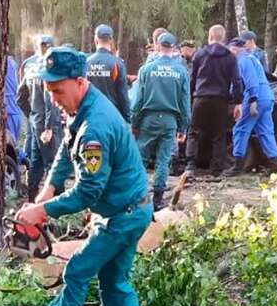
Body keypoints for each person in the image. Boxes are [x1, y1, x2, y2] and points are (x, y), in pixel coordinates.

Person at [16, 47, 152, 306]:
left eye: (58, 90)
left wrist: (42, 212)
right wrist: (48, 189)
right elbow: (67, 146)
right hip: (128, 208)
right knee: (114, 279)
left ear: (79, 81)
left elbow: (88, 191)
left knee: (78, 269)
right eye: (49, 90)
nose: (53, 98)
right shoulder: (83, 107)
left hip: (123, 215)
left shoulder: (95, 129)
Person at [131, 32, 190, 209]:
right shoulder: (181, 71)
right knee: (163, 160)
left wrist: (134, 123)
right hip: (170, 120)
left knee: (141, 158)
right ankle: (157, 199)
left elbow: (138, 101)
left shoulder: (146, 70)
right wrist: (184, 127)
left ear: (157, 46)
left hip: (148, 119)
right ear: (173, 48)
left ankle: (138, 195)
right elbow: (185, 102)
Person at [186, 25, 243, 177]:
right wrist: (238, 102)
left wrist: (192, 96)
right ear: (223, 39)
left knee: (194, 131)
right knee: (219, 134)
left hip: (201, 97)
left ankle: (190, 165)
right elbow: (237, 81)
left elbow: (193, 77)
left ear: (209, 37)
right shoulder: (230, 57)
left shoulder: (199, 54)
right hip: (220, 99)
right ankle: (216, 169)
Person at [225, 38, 277, 177]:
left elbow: (251, 81)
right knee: (265, 131)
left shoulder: (242, 60)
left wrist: (253, 100)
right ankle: (276, 165)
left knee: (240, 129)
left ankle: (238, 166)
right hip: (267, 96)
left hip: (255, 98)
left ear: (235, 49)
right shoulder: (253, 58)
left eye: (229, 50)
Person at [18, 34, 64, 201]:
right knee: (54, 164)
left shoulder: (30, 68)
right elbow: (50, 100)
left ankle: (32, 199)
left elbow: (20, 96)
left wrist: (31, 115)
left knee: (35, 164)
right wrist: (49, 127)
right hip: (47, 125)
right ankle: (58, 205)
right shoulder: (48, 68)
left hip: (35, 122)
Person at [86, 24, 130, 122]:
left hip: (91, 116)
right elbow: (123, 95)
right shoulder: (117, 64)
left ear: (95, 40)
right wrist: (127, 119)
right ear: (111, 40)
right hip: (112, 116)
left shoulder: (87, 63)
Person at [5, 54, 22, 144]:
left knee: (10, 146)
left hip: (9, 111)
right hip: (14, 110)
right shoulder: (11, 63)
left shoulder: (5, 63)